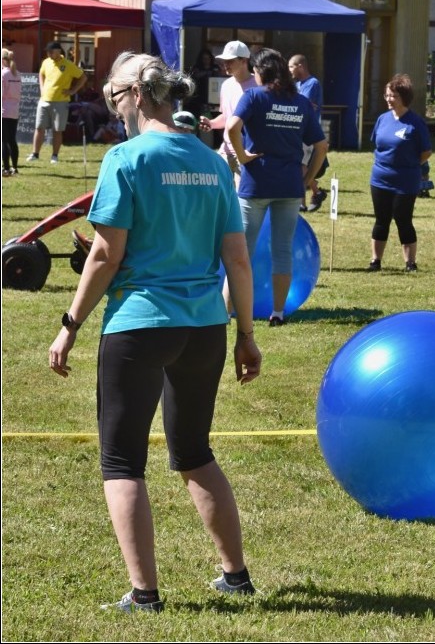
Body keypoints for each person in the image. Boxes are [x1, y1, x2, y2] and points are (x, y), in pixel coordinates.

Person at [47, 51, 262, 612]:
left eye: (115, 97)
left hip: (140, 325)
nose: (114, 107)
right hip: (205, 328)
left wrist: (69, 324)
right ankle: (235, 575)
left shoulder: (126, 158)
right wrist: (246, 334)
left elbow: (104, 255)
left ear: (138, 96)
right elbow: (238, 261)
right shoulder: (214, 163)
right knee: (194, 450)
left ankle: (145, 594)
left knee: (121, 461)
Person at [227, 48, 328, 327]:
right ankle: (279, 313)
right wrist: (307, 181)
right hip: (289, 187)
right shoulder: (301, 102)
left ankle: (226, 311)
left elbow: (232, 128)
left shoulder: (254, 97)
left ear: (261, 72)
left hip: (256, 184)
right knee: (282, 250)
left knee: (240, 250)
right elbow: (321, 146)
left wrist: (243, 156)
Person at [367, 74, 432, 272]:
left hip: (406, 181)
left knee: (403, 220)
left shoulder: (415, 123)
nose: (388, 99)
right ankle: (375, 261)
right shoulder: (382, 119)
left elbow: (426, 151)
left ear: (403, 97)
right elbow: (376, 145)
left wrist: (410, 165)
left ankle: (410, 263)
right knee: (381, 220)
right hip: (380, 179)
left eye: (392, 96)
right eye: (386, 95)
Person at [198, 41, 256, 189]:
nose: (225, 64)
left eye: (230, 61)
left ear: (244, 61)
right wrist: (211, 123)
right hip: (225, 151)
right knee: (217, 195)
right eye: (224, 61)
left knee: (240, 200)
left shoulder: (258, 85)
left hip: (245, 153)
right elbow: (226, 117)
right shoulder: (226, 85)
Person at [27, 41, 87, 164]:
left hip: (61, 102)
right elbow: (41, 73)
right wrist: (42, 88)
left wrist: (73, 90)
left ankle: (54, 156)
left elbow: (83, 77)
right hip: (44, 101)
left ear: (58, 51)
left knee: (57, 130)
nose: (48, 53)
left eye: (51, 51)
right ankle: (35, 154)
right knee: (39, 128)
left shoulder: (68, 65)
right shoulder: (46, 62)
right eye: (47, 51)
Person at [288, 54, 328, 212]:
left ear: (300, 66)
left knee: (301, 164)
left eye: (291, 66)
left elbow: (303, 105)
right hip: (298, 130)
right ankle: (311, 196)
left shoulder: (312, 83)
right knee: (299, 164)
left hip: (308, 131)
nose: (289, 70)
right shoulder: (297, 84)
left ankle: (308, 197)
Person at [2, 48, 21, 177]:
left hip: (4, 110)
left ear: (3, 60)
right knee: (12, 140)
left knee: (3, 141)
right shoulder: (17, 74)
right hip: (14, 110)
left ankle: (6, 168)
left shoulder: (3, 74)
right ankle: (14, 167)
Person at [187, 48, 221, 117]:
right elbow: (195, 76)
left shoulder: (215, 67)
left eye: (208, 58)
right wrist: (207, 73)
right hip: (200, 96)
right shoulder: (197, 67)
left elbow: (219, 78)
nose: (206, 60)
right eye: (204, 58)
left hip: (213, 95)